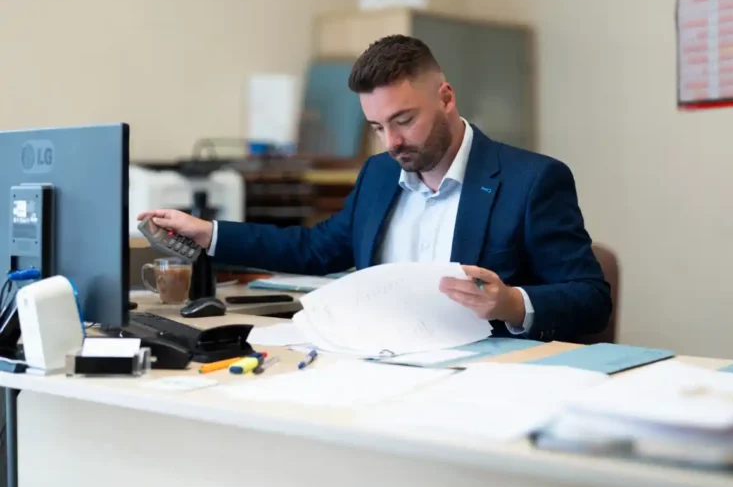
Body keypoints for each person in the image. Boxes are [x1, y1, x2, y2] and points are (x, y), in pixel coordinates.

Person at [138, 34, 610, 341]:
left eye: (404, 120)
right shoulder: (379, 174)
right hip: (378, 370)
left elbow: (591, 299)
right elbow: (314, 249)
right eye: (378, 127)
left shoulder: (533, 181)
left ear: (445, 97)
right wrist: (209, 234)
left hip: (480, 383)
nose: (394, 141)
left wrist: (511, 303)